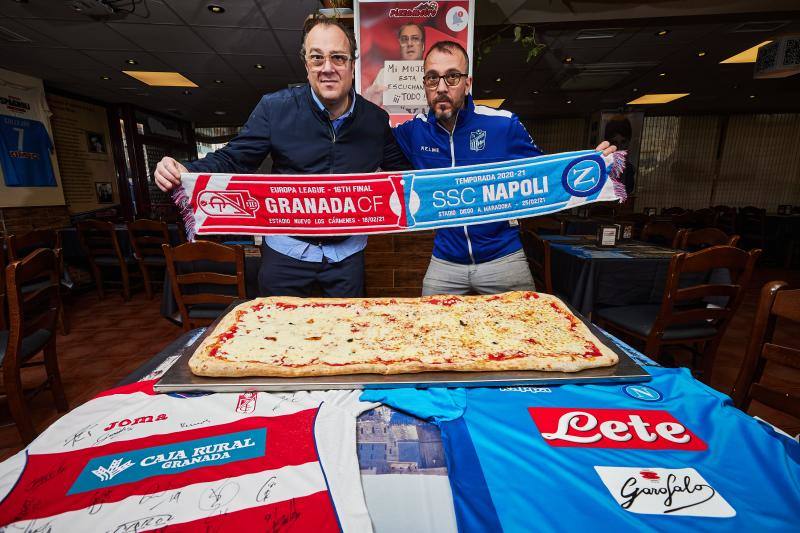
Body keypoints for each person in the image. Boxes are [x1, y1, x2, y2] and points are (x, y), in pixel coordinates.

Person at [154, 16, 409, 297]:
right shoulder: (274, 109)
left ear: (352, 64)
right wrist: (186, 169)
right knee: (275, 333)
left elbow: (406, 174)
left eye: (338, 57)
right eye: (317, 58)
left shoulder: (375, 120)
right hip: (285, 256)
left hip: (346, 258)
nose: (327, 68)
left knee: (346, 336)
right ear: (306, 66)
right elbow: (234, 159)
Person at [393, 41, 616, 295]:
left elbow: (544, 174)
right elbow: (371, 143)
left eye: (452, 77)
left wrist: (592, 164)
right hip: (445, 262)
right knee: (429, 332)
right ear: (425, 85)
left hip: (503, 259)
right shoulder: (414, 132)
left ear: (468, 84)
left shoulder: (503, 125)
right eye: (433, 78)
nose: (441, 87)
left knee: (527, 332)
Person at [363, 23, 427, 116]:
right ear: (399, 45)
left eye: (415, 38)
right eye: (404, 39)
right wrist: (369, 103)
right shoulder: (385, 73)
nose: (409, 44)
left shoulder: (435, 73)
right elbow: (371, 112)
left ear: (423, 45)